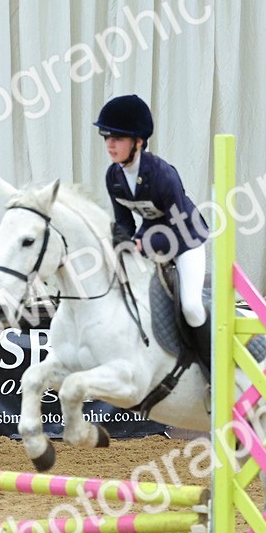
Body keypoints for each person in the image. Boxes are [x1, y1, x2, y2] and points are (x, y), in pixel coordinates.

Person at [95, 94, 210, 360]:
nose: (110, 145)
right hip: (150, 233)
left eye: (118, 138)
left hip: (186, 238)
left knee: (192, 306)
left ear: (138, 141)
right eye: (106, 137)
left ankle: (210, 368)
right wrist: (115, 241)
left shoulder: (163, 175)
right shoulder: (113, 176)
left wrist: (141, 245)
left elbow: (178, 227)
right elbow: (124, 221)